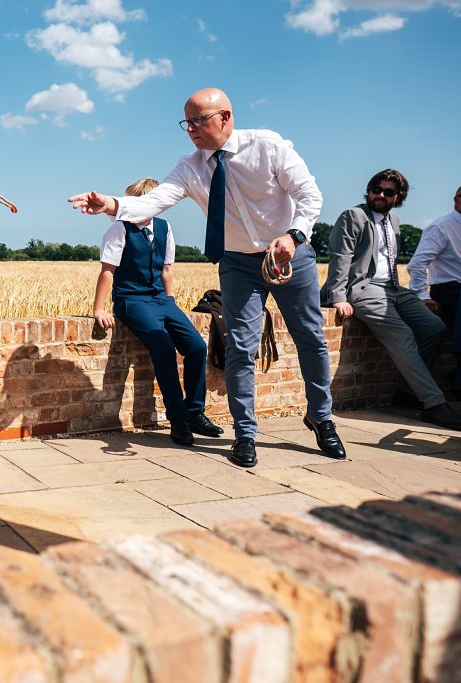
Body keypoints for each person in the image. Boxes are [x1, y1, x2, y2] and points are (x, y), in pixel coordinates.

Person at [68, 87, 345, 468]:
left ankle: (321, 417)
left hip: (289, 255)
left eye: (200, 120)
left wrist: (294, 235)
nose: (192, 129)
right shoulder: (190, 167)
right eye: (188, 122)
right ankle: (245, 434)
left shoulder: (268, 147)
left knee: (310, 338)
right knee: (241, 347)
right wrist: (112, 205)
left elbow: (309, 194)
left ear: (225, 117)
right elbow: (154, 200)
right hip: (237, 265)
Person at [321, 170, 460, 429]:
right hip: (363, 289)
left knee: (435, 328)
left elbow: (391, 262)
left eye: (388, 192)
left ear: (399, 197)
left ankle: (406, 393)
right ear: (369, 190)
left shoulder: (394, 219)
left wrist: (420, 295)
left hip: (394, 288)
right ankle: (434, 405)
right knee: (403, 336)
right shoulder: (354, 216)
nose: (380, 195)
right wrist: (338, 297)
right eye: (376, 189)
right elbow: (340, 257)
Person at [92, 177, 224, 445]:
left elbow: (166, 269)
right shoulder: (119, 229)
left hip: (162, 300)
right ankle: (178, 420)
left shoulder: (164, 228)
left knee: (197, 347)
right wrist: (99, 309)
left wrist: (170, 302)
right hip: (132, 300)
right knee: (162, 348)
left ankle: (195, 412)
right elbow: (108, 271)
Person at [408, 185, 461, 399]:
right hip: (449, 289)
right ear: (456, 199)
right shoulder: (442, 226)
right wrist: (422, 296)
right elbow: (417, 264)